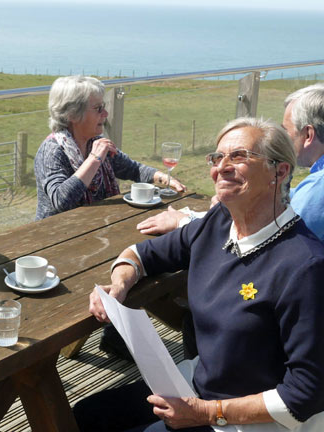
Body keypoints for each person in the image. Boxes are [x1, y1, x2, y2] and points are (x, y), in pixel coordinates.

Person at [75, 117, 324, 432]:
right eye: (218, 158)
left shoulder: (305, 267)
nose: (222, 167)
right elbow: (143, 254)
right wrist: (119, 284)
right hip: (193, 387)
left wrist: (207, 413)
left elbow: (305, 395)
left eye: (239, 157)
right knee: (83, 415)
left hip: (244, 422)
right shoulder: (219, 222)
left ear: (281, 170)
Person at [137, 84, 324, 240]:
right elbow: (294, 197)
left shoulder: (317, 190)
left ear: (308, 135)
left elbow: (273, 237)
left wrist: (184, 222)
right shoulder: (313, 185)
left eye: (286, 131)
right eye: (218, 158)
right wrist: (242, 199)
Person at [34, 75, 185, 221]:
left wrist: (164, 178)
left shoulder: (95, 143)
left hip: (94, 225)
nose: (105, 114)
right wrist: (94, 159)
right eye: (98, 108)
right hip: (55, 235)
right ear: (72, 114)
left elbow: (132, 169)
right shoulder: (52, 150)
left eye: (104, 107)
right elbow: (61, 201)